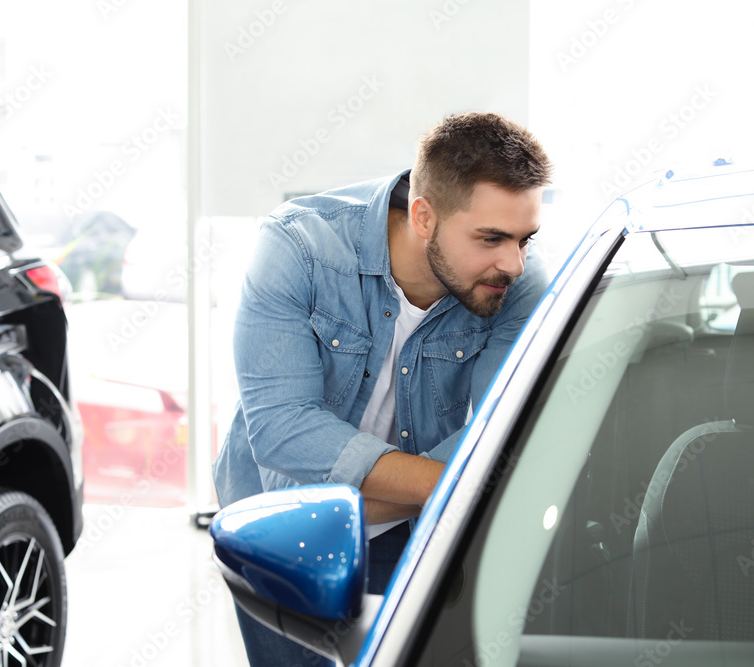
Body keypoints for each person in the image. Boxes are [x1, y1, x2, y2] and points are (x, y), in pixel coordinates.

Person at [213, 111, 552, 666]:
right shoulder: (299, 246)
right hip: (280, 529)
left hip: (414, 525)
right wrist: (455, 488)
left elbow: (500, 430)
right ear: (423, 216)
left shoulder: (517, 281)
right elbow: (280, 431)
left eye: (524, 238)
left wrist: (425, 491)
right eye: (491, 238)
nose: (513, 262)